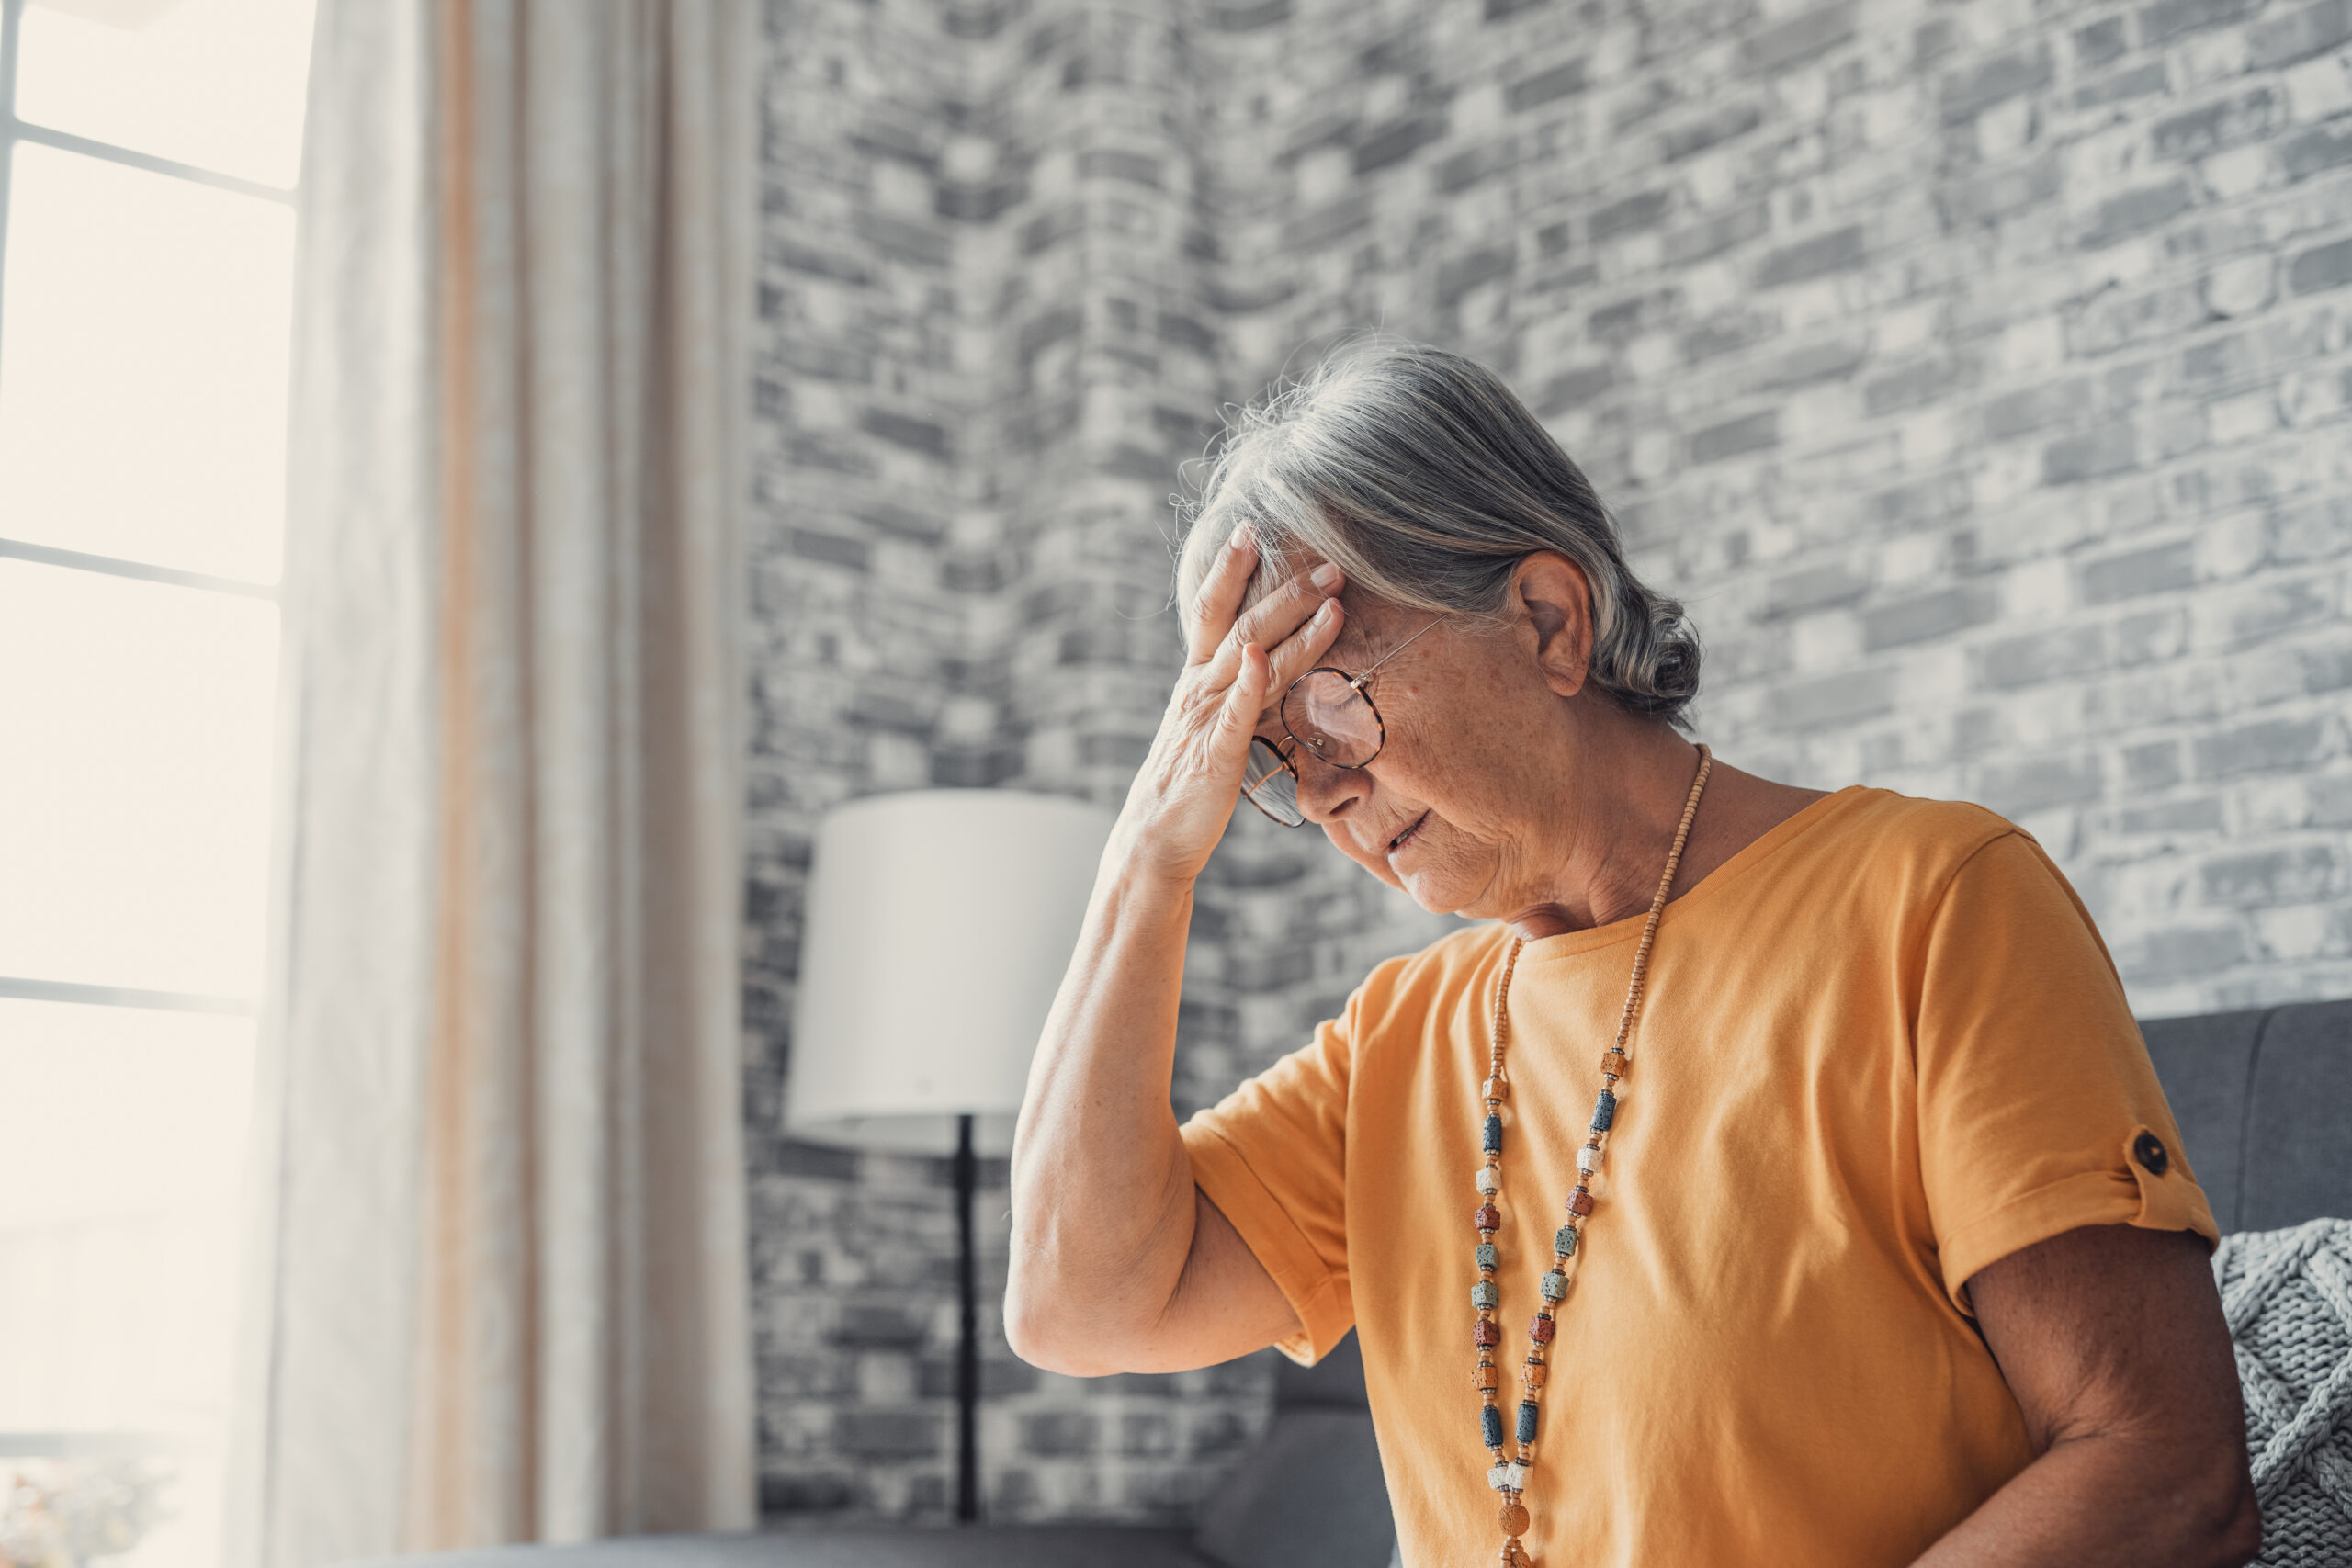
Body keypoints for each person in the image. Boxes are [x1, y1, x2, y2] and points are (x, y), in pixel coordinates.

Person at [1004, 339, 2259, 1568]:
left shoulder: (1931, 905)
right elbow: (1077, 1304)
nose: (1324, 792)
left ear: (1550, 619)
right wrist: (1148, 859)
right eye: (1271, 759)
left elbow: (2160, 1469)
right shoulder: (1398, 1038)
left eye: (1336, 701)